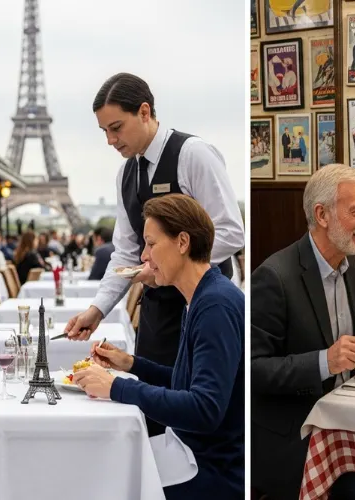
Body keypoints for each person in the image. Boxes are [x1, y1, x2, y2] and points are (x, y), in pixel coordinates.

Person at [64, 72, 244, 435]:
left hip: (200, 299)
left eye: (117, 128)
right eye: (104, 132)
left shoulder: (193, 154)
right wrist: (97, 310)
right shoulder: (124, 175)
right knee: (152, 415)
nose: (111, 141)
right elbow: (124, 253)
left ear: (145, 111)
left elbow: (231, 232)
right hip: (159, 310)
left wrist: (169, 263)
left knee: (195, 415)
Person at [251, 164, 355, 500]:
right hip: (300, 436)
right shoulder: (274, 277)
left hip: (350, 422)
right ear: (322, 215)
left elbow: (349, 334)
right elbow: (254, 370)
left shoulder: (350, 264)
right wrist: (323, 361)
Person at [73, 194, 243, 500]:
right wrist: (131, 364)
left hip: (210, 470)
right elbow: (189, 384)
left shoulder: (215, 306)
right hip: (193, 454)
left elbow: (204, 409)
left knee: (99, 480)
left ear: (182, 242)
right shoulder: (202, 297)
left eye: (151, 244)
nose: (143, 257)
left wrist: (116, 388)